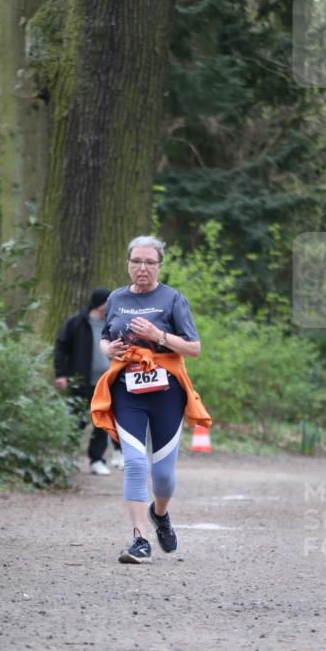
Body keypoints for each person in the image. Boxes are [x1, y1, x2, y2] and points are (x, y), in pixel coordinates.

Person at [91, 235, 211, 563]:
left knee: (163, 476)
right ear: (128, 264)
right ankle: (140, 539)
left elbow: (194, 348)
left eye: (149, 262)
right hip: (126, 391)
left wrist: (157, 336)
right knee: (134, 462)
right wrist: (109, 350)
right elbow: (105, 339)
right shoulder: (115, 298)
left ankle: (160, 513)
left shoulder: (173, 299)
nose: (142, 268)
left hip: (166, 393)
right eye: (136, 261)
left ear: (159, 266)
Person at [54, 288, 123, 475]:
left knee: (102, 422)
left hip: (106, 382)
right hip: (80, 381)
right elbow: (60, 348)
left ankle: (97, 460)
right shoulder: (76, 323)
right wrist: (60, 374)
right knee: (77, 419)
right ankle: (68, 457)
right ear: (100, 303)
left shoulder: (113, 323)